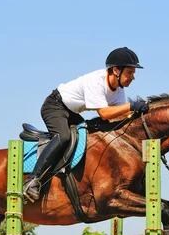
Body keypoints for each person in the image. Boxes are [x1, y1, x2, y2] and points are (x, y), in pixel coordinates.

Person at [23, 47, 149, 203]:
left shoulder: (118, 90)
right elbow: (104, 113)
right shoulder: (96, 81)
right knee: (63, 137)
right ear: (116, 70)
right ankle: (32, 180)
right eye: (130, 72)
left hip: (71, 113)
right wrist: (131, 106)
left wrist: (137, 115)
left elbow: (117, 117)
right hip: (54, 106)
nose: (133, 77)